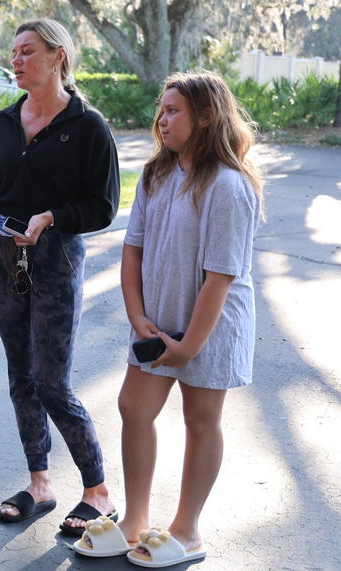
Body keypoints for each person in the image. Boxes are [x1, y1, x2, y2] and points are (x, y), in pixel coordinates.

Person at [0, 19, 121, 536]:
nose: (17, 60)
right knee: (20, 375)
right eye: (14, 52)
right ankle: (40, 483)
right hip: (1, 262)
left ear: (58, 56)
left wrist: (52, 218)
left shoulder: (88, 125)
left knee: (52, 381)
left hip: (55, 260)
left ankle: (98, 492)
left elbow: (103, 206)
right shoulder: (3, 123)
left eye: (27, 52)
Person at [112, 70, 264, 567]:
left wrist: (190, 346)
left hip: (209, 327)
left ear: (205, 117)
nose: (162, 119)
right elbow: (132, 251)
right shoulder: (155, 175)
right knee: (134, 408)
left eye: (173, 110)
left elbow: (220, 277)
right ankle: (134, 520)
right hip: (157, 323)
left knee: (201, 421)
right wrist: (138, 317)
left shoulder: (228, 185)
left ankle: (187, 530)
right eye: (162, 109)